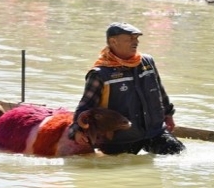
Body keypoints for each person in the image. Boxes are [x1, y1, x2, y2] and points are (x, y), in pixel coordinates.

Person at [68, 22, 186, 156]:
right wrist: (77, 130)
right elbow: (85, 107)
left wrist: (168, 114)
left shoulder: (147, 62)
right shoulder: (100, 74)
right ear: (113, 41)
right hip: (119, 139)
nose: (135, 42)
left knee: (179, 154)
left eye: (136, 39)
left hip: (154, 132)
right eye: (130, 39)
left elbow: (159, 91)